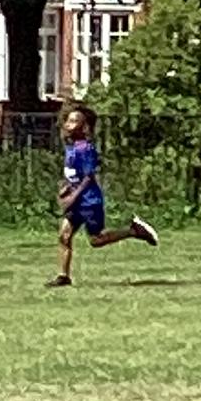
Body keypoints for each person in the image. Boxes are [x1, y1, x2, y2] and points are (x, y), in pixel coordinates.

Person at [48, 105, 157, 289]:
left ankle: (134, 231)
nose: (68, 125)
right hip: (76, 201)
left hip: (89, 202)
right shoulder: (71, 147)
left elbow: (88, 177)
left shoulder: (85, 149)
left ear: (84, 127)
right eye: (68, 121)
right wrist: (66, 187)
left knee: (96, 240)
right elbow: (74, 174)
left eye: (74, 121)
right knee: (64, 235)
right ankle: (63, 276)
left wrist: (73, 196)